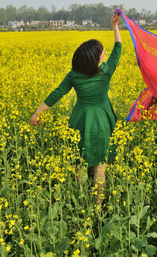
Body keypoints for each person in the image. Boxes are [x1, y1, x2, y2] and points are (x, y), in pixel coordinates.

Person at [29, 11, 122, 204]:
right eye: (101, 52)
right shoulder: (106, 71)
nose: (104, 53)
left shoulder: (74, 74)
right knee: (99, 166)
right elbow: (118, 49)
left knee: (80, 162)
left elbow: (57, 93)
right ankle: (97, 207)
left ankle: (80, 204)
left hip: (80, 119)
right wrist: (115, 26)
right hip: (102, 120)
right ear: (96, 59)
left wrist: (37, 113)